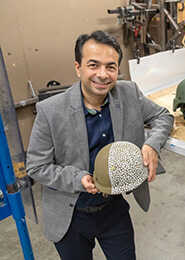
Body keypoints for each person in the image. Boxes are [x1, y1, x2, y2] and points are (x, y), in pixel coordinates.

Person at [26, 30, 173, 260]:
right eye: (93, 65)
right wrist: (78, 179)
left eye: (111, 67)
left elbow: (163, 116)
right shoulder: (51, 111)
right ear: (78, 67)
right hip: (70, 214)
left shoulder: (128, 93)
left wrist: (152, 145)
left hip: (112, 209)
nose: (102, 75)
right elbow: (36, 167)